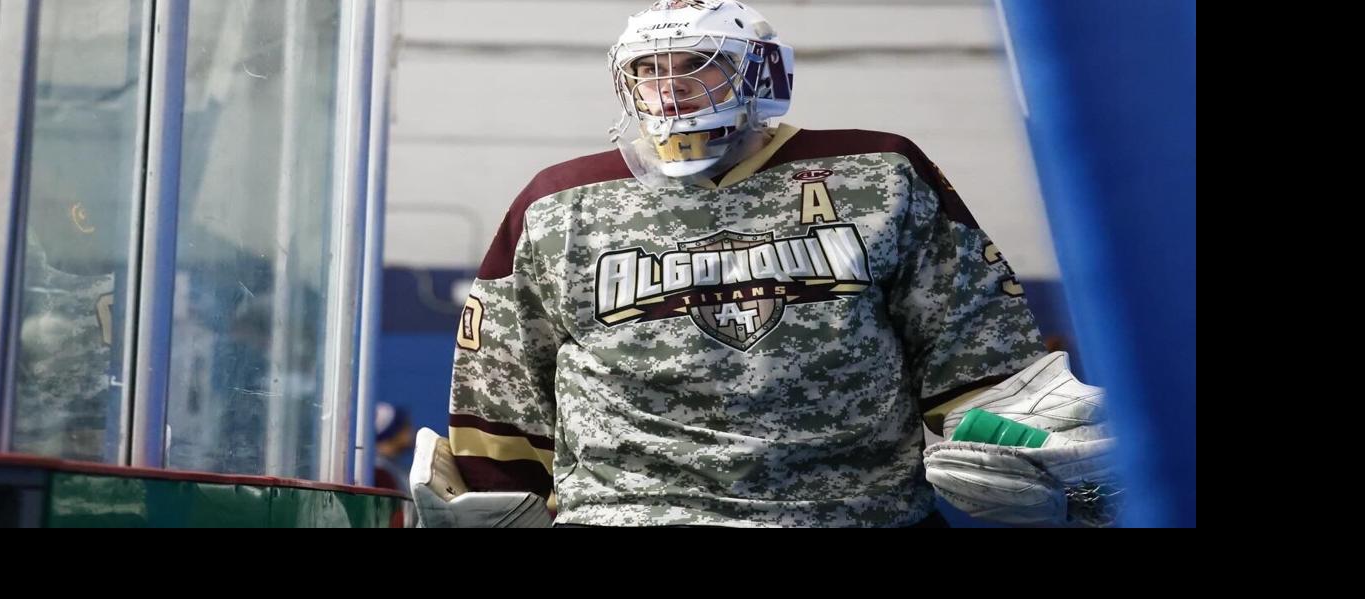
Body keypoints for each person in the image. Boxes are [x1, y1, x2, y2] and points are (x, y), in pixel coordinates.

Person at [412, 0, 1113, 528]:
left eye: (699, 64)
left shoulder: (879, 171)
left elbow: (980, 364)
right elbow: (499, 395)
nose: (670, 87)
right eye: (647, 70)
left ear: (761, 73)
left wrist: (1058, 465)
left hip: (857, 515)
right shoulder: (559, 202)